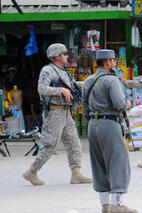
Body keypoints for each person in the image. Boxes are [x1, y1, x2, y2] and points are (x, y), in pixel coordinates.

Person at [23, 43, 92, 186]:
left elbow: (72, 86)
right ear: (56, 56)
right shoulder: (48, 71)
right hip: (54, 112)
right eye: (64, 53)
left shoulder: (63, 71)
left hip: (65, 112)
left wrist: (90, 82)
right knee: (49, 145)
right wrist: (60, 90)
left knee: (74, 143)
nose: (67, 56)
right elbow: (42, 89)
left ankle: (76, 173)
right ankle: (32, 172)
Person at [82, 49, 136, 213]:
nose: (115, 63)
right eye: (114, 60)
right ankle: (118, 204)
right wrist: (127, 103)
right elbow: (119, 104)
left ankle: (105, 205)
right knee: (118, 162)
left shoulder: (88, 81)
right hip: (109, 123)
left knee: (99, 164)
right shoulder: (111, 81)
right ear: (107, 63)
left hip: (92, 124)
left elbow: (84, 107)